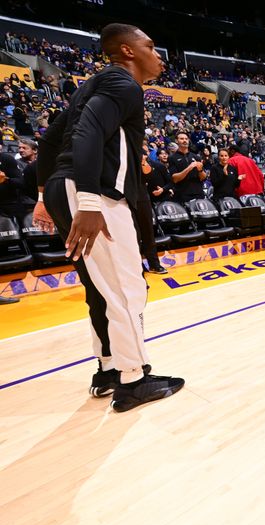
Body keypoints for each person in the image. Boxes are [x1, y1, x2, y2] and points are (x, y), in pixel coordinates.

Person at [34, 23, 183, 412]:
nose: (158, 54)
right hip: (95, 193)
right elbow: (86, 131)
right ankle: (134, 380)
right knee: (128, 289)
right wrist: (86, 199)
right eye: (150, 46)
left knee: (101, 289)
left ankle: (108, 369)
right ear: (127, 51)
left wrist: (45, 194)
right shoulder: (123, 84)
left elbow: (51, 140)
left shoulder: (93, 85)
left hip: (65, 186)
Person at [169, 131, 207, 203]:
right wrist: (189, 168)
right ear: (176, 141)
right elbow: (175, 179)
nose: (185, 141)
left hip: (198, 193)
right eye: (182, 139)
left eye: (186, 139)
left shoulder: (196, 157)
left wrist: (200, 170)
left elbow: (203, 178)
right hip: (182, 195)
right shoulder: (172, 158)